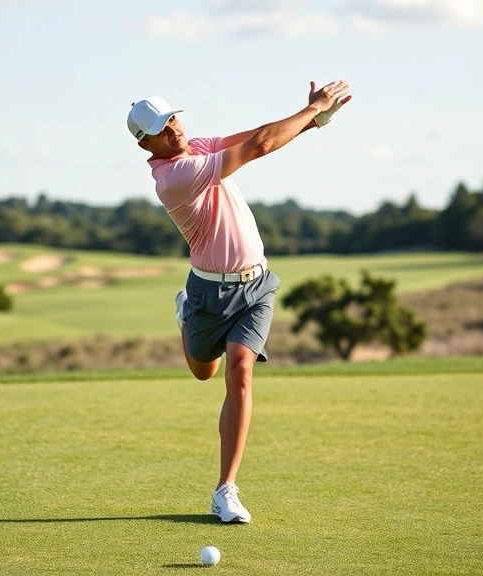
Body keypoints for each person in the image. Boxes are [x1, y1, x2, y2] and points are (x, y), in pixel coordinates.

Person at [126, 80, 352, 524]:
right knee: (202, 370)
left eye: (173, 118)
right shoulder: (174, 177)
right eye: (161, 127)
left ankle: (225, 490)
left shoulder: (197, 149)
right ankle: (186, 316)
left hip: (257, 285)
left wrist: (314, 120)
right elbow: (261, 147)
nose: (173, 129)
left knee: (240, 370)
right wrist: (313, 112)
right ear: (144, 144)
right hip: (209, 292)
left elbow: (258, 135)